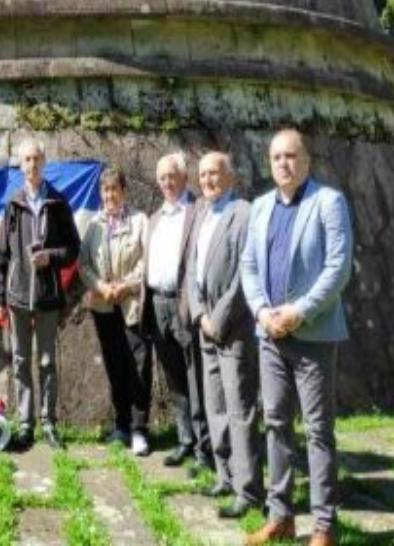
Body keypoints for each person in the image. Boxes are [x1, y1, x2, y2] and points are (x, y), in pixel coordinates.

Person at [242, 130, 353, 546]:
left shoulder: (328, 202)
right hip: (269, 334)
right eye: (276, 157)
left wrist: (300, 311)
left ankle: (324, 526)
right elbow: (249, 265)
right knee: (275, 424)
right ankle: (281, 516)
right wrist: (261, 311)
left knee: (319, 430)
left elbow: (338, 268)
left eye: (291, 155)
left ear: (307, 161)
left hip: (314, 336)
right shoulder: (259, 207)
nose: (283, 163)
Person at [186, 152, 263, 519]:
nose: (207, 180)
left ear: (230, 177)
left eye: (214, 174)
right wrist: (201, 315)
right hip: (207, 326)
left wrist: (218, 318)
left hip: (233, 328)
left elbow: (243, 277)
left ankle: (249, 490)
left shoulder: (243, 213)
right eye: (202, 175)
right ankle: (224, 475)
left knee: (239, 410)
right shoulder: (201, 212)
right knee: (214, 405)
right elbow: (191, 270)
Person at [0, 138, 81, 450]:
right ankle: (26, 424)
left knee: (46, 361)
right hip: (17, 296)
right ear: (20, 166)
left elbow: (73, 249)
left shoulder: (57, 203)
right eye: (26, 160)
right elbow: (2, 257)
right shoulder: (13, 206)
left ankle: (49, 424)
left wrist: (50, 257)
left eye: (36, 159)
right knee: (20, 361)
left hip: (46, 295)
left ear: (44, 162)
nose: (31, 165)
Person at [142, 152, 211, 468]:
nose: (167, 183)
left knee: (195, 375)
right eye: (162, 178)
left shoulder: (199, 211)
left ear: (185, 178)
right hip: (157, 304)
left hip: (184, 303)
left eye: (172, 176)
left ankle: (204, 447)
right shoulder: (155, 218)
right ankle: (185, 439)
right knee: (173, 378)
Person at [80, 166, 152, 455]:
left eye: (115, 190)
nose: (110, 195)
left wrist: (126, 285)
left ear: (124, 191)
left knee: (138, 366)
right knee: (114, 366)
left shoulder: (139, 221)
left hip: (132, 304)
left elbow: (147, 260)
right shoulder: (93, 225)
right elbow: (83, 263)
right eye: (105, 190)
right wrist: (100, 286)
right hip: (104, 306)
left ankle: (139, 430)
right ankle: (121, 425)